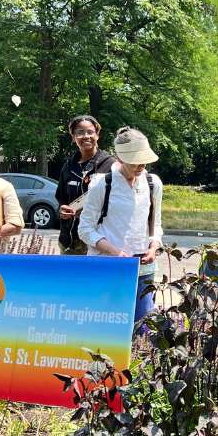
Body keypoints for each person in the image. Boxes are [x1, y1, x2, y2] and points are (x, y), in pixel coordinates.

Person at [78, 126, 162, 327]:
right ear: (120, 157)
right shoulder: (101, 184)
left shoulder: (153, 183)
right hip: (107, 267)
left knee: (144, 328)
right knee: (106, 328)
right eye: (135, 160)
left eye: (144, 159)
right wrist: (115, 252)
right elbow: (85, 229)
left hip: (143, 269)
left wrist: (154, 246)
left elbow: (156, 224)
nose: (141, 165)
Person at [55, 115, 115, 255]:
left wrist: (88, 212)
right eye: (80, 132)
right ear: (73, 137)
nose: (85, 136)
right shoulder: (68, 166)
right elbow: (61, 198)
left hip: (98, 241)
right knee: (67, 277)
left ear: (97, 135)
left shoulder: (111, 165)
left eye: (90, 132)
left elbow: (117, 202)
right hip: (69, 239)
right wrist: (62, 210)